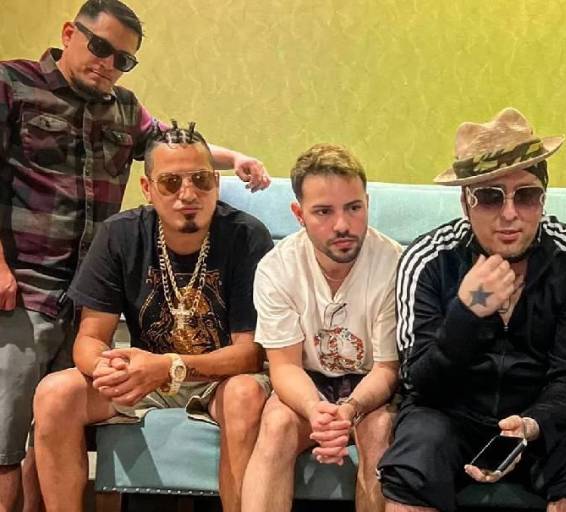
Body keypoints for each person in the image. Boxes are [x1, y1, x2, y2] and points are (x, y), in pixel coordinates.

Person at [0, 1, 269, 509]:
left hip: (98, 297)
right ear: (70, 33)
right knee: (13, 430)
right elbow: (93, 341)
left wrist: (235, 159)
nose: (108, 63)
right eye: (100, 47)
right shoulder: (12, 84)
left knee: (42, 426)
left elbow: (171, 145)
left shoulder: (125, 109)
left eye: (122, 59)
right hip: (24, 281)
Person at [377, 108, 566, 512]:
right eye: (489, 197)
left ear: (543, 198)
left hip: (544, 419)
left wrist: (531, 425)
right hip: (449, 414)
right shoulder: (428, 259)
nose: (509, 214)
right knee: (413, 462)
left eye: (526, 195)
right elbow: (419, 383)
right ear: (465, 203)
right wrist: (467, 314)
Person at [32, 122, 273, 512]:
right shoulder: (120, 235)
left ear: (215, 182)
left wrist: (170, 367)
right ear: (148, 188)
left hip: (220, 379)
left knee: (245, 394)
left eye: (200, 180)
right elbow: (90, 338)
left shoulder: (247, 236)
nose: (188, 194)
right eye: (171, 183)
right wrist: (108, 368)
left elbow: (251, 354)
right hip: (145, 377)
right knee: (54, 394)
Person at [242, 144, 401, 512]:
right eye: (324, 212)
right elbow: (284, 366)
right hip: (306, 381)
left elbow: (387, 368)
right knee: (277, 425)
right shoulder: (276, 269)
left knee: (379, 431)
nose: (342, 225)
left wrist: (350, 410)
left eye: (354, 208)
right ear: (299, 214)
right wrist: (316, 410)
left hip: (371, 387)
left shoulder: (394, 264)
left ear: (367, 204)